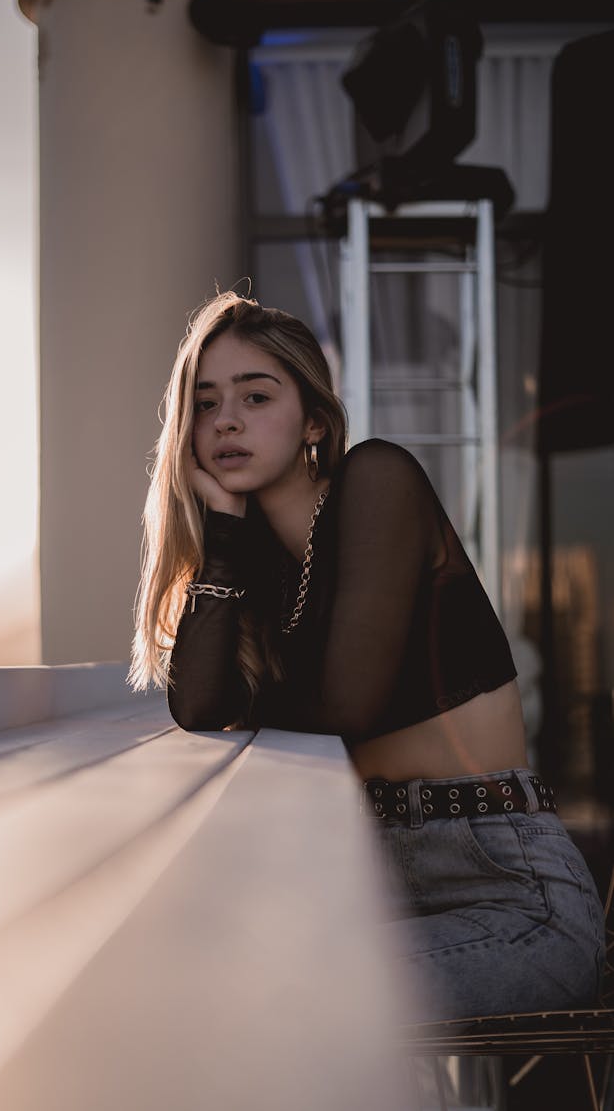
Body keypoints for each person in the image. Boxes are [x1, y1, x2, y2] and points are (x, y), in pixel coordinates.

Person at [129, 290, 605, 1023]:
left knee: (263, 1013)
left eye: (256, 396)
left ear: (314, 419)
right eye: (205, 402)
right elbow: (198, 707)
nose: (226, 419)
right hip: (376, 887)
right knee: (184, 983)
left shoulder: (380, 480)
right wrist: (222, 533)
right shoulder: (261, 577)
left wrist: (248, 713)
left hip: (512, 892)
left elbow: (348, 706)